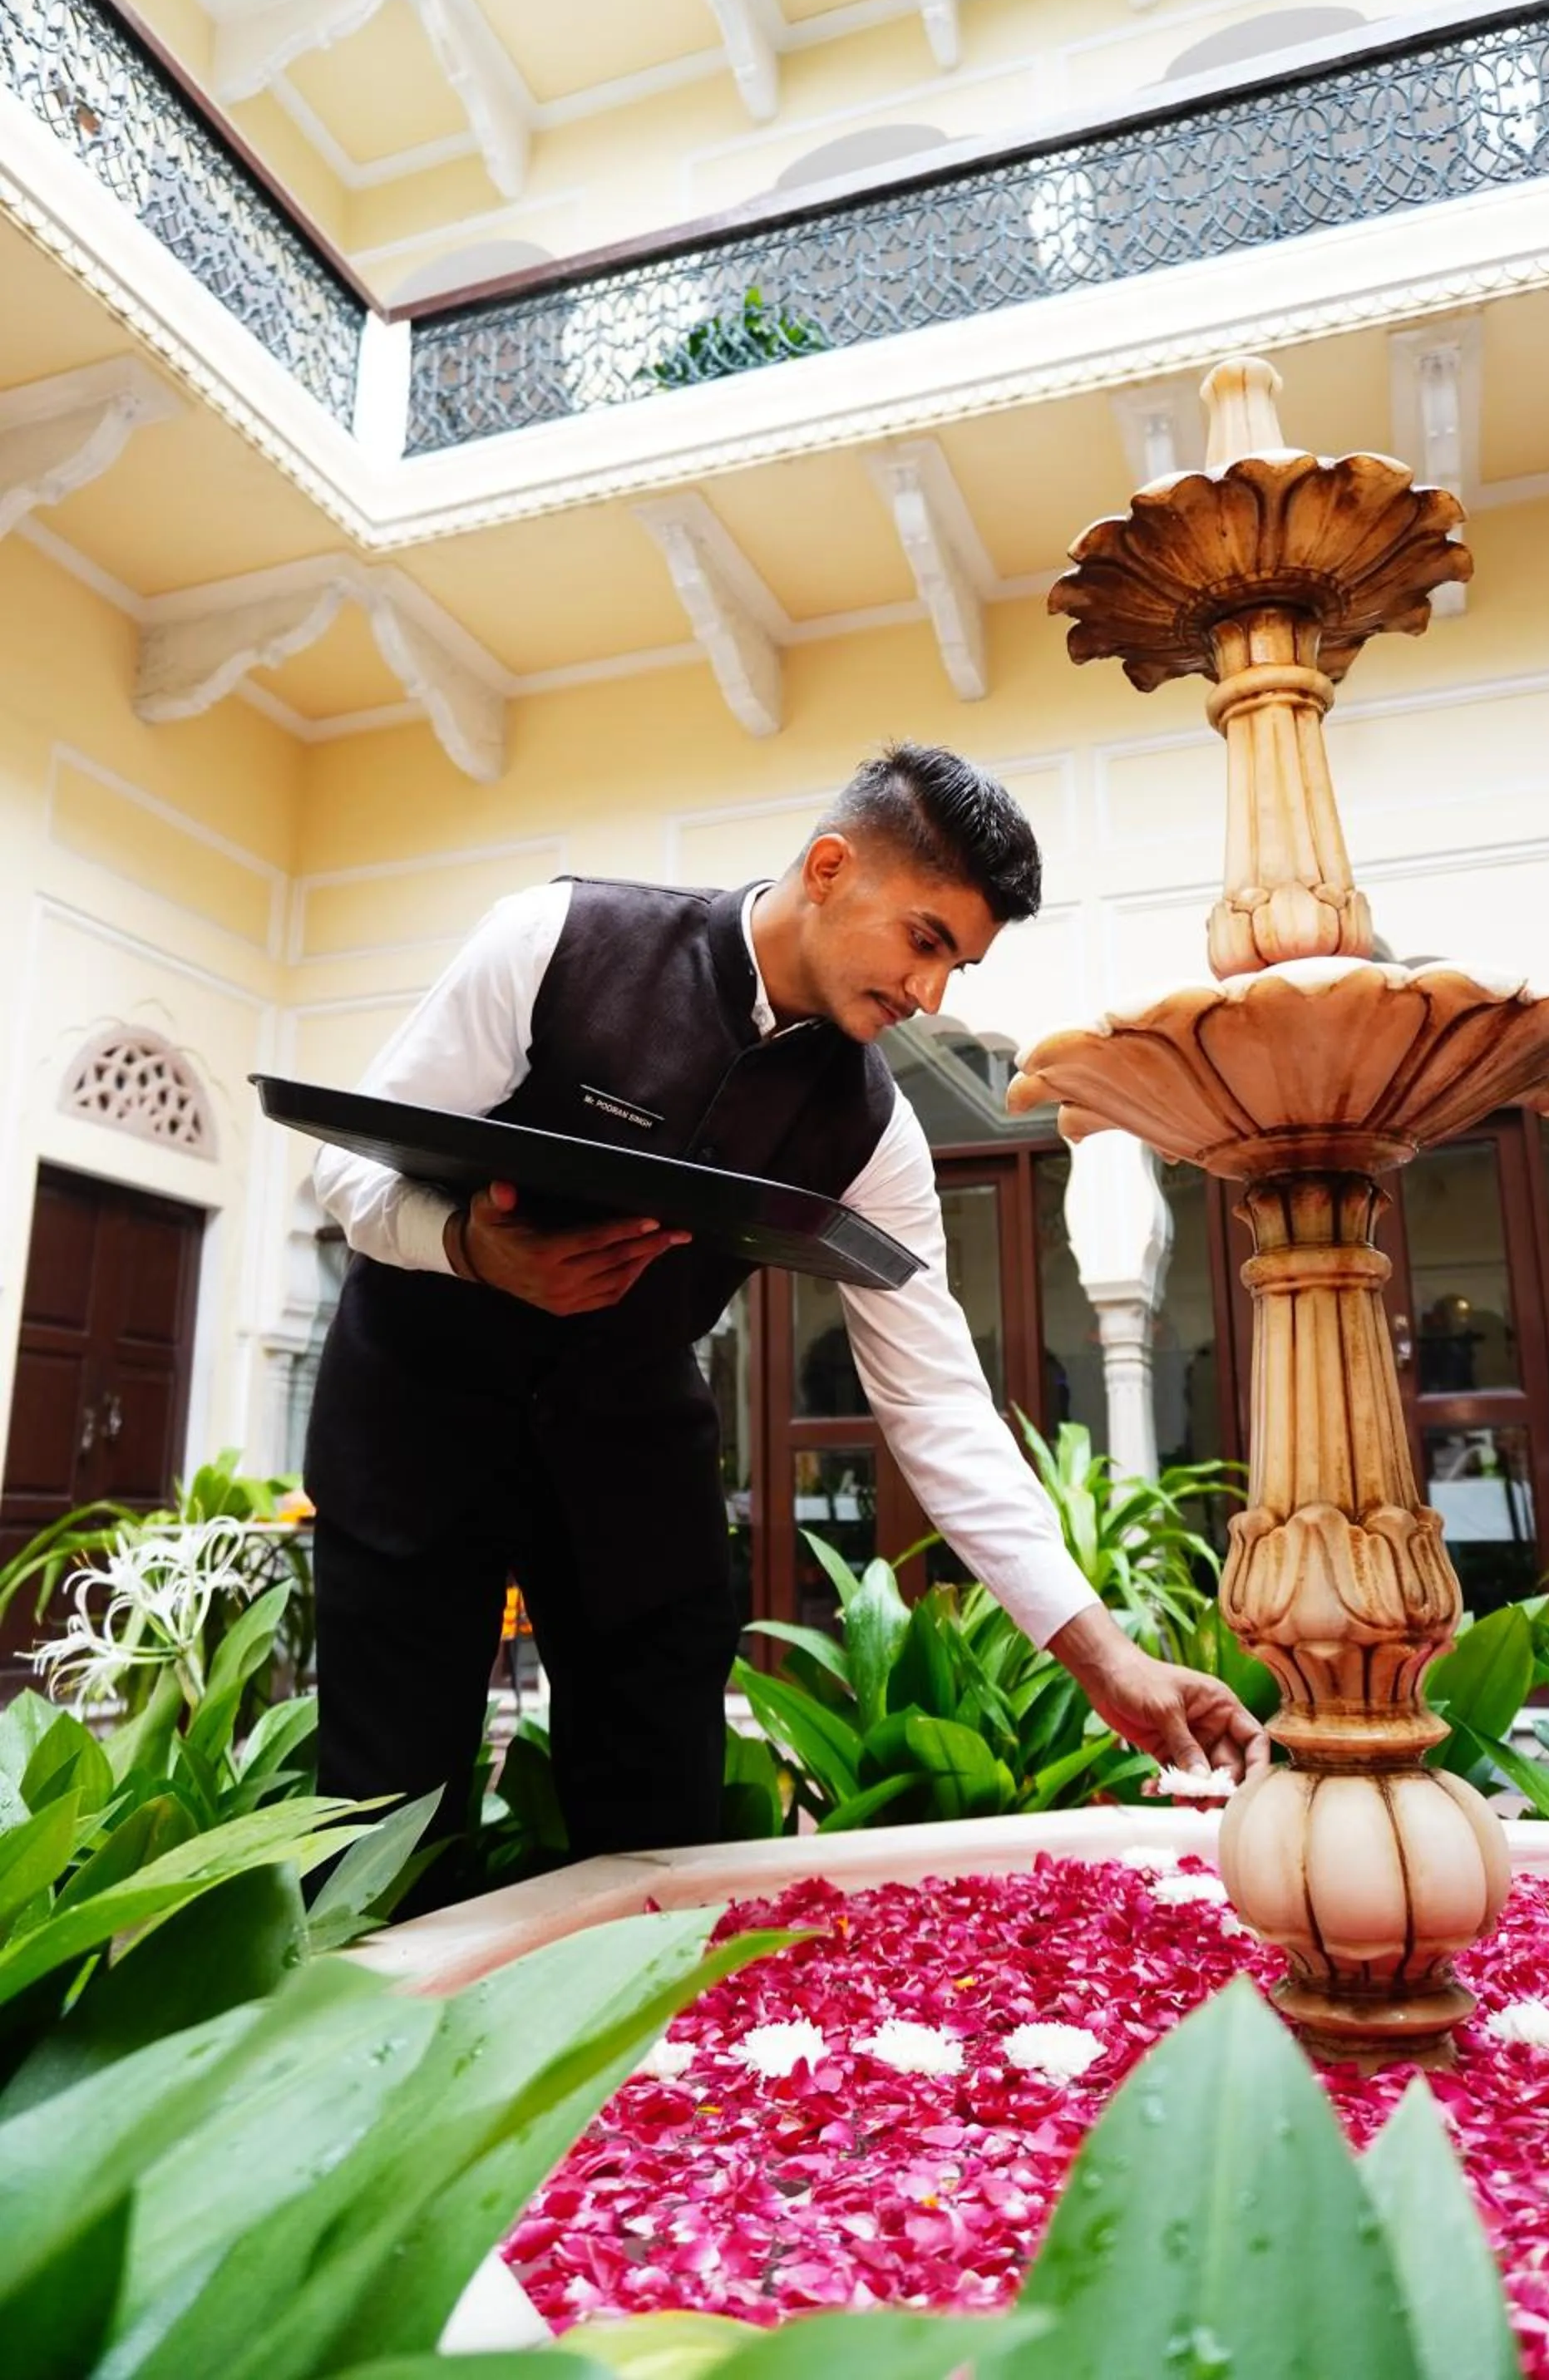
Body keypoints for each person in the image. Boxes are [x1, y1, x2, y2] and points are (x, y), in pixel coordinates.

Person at [306, 742, 1268, 1866]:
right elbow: (346, 1171)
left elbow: (940, 1407)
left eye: (958, 966)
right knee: (386, 1815)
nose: (930, 995)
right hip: (415, 1406)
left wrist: (1109, 1662)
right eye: (924, 941)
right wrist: (470, 1249)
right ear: (828, 868)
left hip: (628, 1432)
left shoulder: (875, 1131)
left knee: (663, 1807)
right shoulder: (554, 938)